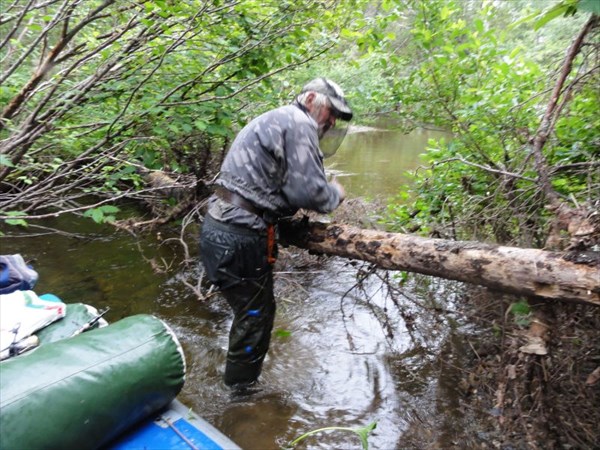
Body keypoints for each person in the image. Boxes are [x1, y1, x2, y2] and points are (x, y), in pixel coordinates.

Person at [200, 78, 353, 389]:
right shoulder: (299, 122)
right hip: (240, 235)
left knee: (248, 311)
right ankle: (241, 398)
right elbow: (307, 192)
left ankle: (235, 379)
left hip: (218, 226)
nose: (333, 121)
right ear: (311, 99)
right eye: (331, 112)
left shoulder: (276, 117)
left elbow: (271, 186)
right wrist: (334, 193)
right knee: (255, 316)